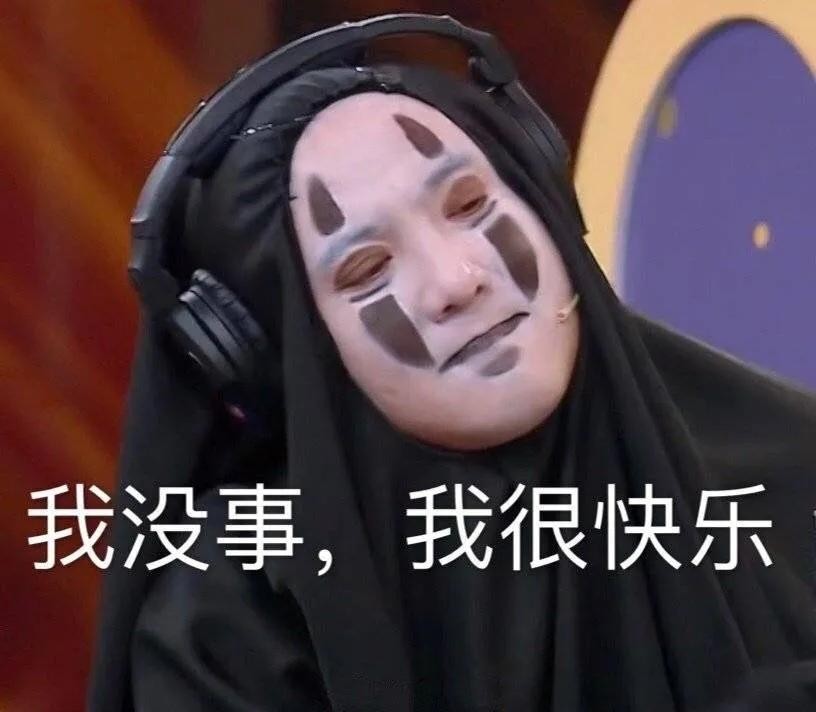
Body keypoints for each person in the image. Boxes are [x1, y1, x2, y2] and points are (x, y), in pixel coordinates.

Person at [89, 17, 816, 712]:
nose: (456, 280)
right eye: (367, 269)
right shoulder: (231, 629)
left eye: (469, 205)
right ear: (287, 353)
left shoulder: (795, 469)